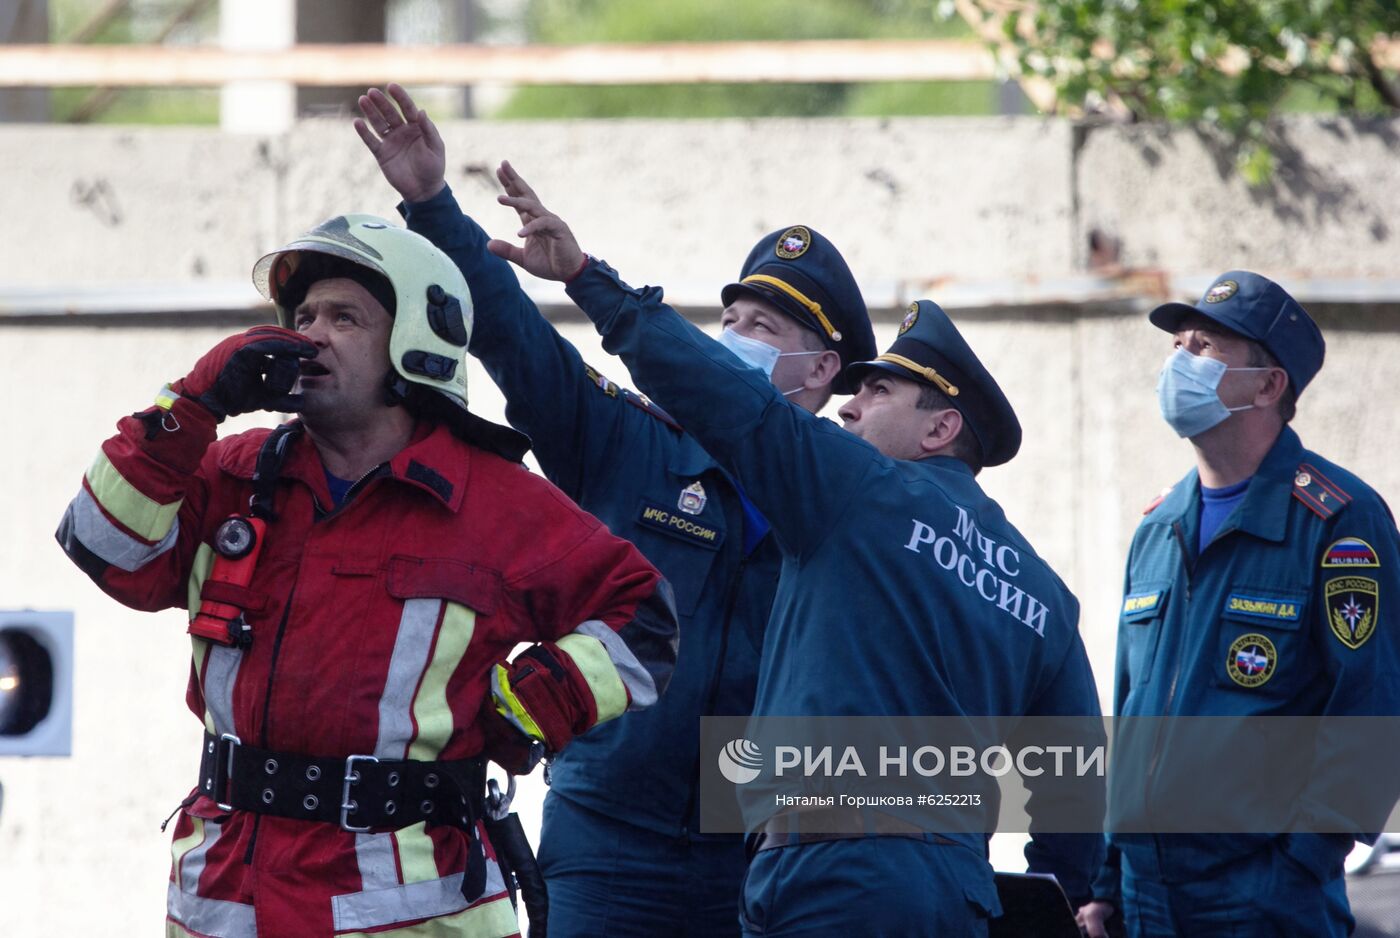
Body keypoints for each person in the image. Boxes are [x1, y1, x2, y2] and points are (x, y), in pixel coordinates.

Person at [472, 165, 1105, 936]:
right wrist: (1071, 896)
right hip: (916, 883)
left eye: (876, 394)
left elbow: (722, 397)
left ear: (939, 429)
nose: (851, 407)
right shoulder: (1036, 585)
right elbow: (1074, 775)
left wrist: (585, 277)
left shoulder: (858, 493)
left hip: (818, 873)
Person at [54, 214, 678, 938]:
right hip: (224, 900)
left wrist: (529, 707)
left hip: (413, 909)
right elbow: (101, 547)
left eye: (345, 317)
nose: (310, 333)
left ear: (417, 341)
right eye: (305, 314)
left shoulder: (498, 500)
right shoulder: (231, 471)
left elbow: (645, 618)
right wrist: (192, 404)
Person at [354, 84, 877, 936]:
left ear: (821, 370)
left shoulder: (850, 499)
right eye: (730, 317)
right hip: (606, 839)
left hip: (765, 852)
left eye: (765, 327)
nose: (732, 337)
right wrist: (432, 204)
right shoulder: (633, 442)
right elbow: (514, 338)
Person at [1076, 272, 1400, 938]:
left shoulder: (1339, 519)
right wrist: (1108, 877)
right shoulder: (1158, 527)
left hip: (1261, 894)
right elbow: (1134, 709)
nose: (1178, 364)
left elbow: (1371, 708)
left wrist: (1302, 862)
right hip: (1144, 897)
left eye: (1203, 346)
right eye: (1177, 346)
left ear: (1267, 384)